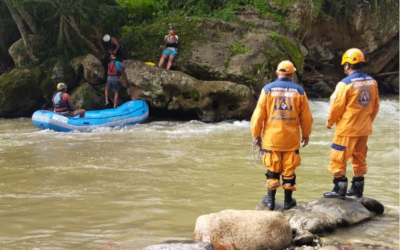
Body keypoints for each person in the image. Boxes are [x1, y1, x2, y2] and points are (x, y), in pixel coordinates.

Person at [251, 60, 313, 211]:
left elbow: (258, 116)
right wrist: (306, 134)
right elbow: (306, 117)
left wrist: (256, 135)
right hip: (291, 139)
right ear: (292, 74)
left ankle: (270, 201)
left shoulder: (267, 90)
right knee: (289, 170)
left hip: (272, 139)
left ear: (278, 73)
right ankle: (288, 201)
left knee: (272, 169)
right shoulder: (299, 91)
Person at [323, 48, 380, 199]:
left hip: (347, 128)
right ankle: (357, 188)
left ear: (347, 65)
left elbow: (337, 106)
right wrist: (367, 121)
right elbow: (375, 106)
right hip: (364, 128)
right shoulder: (372, 82)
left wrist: (330, 121)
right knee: (359, 157)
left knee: (338, 157)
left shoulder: (345, 84)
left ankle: (339, 188)